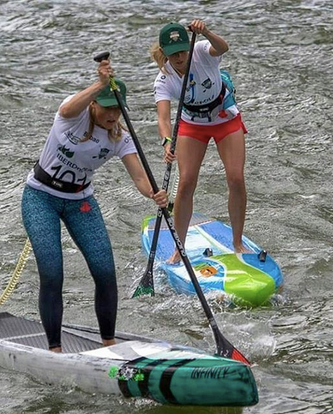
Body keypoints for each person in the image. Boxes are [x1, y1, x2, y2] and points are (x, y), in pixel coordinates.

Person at [21, 58, 168, 352]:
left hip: (80, 202)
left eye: (117, 108)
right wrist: (100, 84)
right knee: (52, 272)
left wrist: (155, 193)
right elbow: (66, 108)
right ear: (93, 105)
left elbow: (139, 177)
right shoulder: (72, 115)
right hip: (40, 197)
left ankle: (109, 342)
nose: (113, 114)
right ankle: (54, 348)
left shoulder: (119, 138)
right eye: (106, 107)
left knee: (104, 271)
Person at [151, 19, 249, 263]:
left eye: (183, 50)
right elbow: (163, 118)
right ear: (164, 54)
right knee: (185, 183)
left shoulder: (201, 50)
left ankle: (238, 242)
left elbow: (223, 47)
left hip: (224, 117)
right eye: (173, 54)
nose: (180, 56)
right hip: (192, 124)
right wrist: (166, 141)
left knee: (236, 178)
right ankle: (179, 248)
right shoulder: (163, 81)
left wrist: (205, 31)